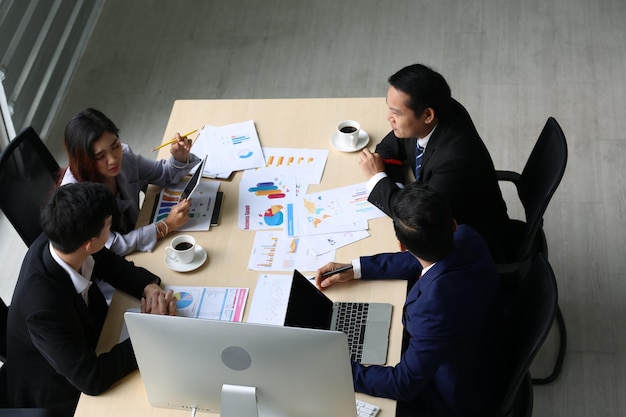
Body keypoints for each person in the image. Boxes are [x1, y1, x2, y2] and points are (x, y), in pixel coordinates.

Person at [315, 183, 503, 417]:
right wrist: (356, 269)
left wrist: (335, 369)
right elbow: (420, 259)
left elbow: (403, 385)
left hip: (451, 397)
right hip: (477, 342)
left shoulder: (434, 308)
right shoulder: (467, 235)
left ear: (402, 246)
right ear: (453, 225)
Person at [6, 182, 177, 417]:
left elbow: (108, 262)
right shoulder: (42, 309)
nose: (112, 229)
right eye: (108, 226)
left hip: (90, 337)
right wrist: (149, 332)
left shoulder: (64, 240)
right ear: (90, 243)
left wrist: (148, 287)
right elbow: (91, 380)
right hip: (60, 389)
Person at [360, 63, 510, 261]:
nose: (389, 118)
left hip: (468, 244)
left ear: (427, 115)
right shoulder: (432, 110)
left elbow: (416, 216)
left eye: (396, 113)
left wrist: (377, 178)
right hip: (438, 211)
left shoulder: (455, 159)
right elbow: (389, 147)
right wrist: (398, 188)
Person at [59, 108, 201, 256]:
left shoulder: (125, 156)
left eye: (115, 146)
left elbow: (164, 174)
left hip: (139, 238)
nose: (113, 159)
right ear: (83, 161)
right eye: (100, 156)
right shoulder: (77, 196)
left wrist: (179, 158)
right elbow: (111, 246)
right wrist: (166, 226)